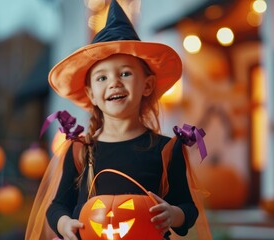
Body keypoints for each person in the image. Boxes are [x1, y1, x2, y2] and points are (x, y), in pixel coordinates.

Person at [25, 1, 211, 239]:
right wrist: (64, 224)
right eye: (102, 78)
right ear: (91, 93)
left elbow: (188, 208)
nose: (114, 82)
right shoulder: (81, 150)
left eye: (125, 73)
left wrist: (173, 214)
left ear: (147, 85)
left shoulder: (167, 149)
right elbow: (58, 205)